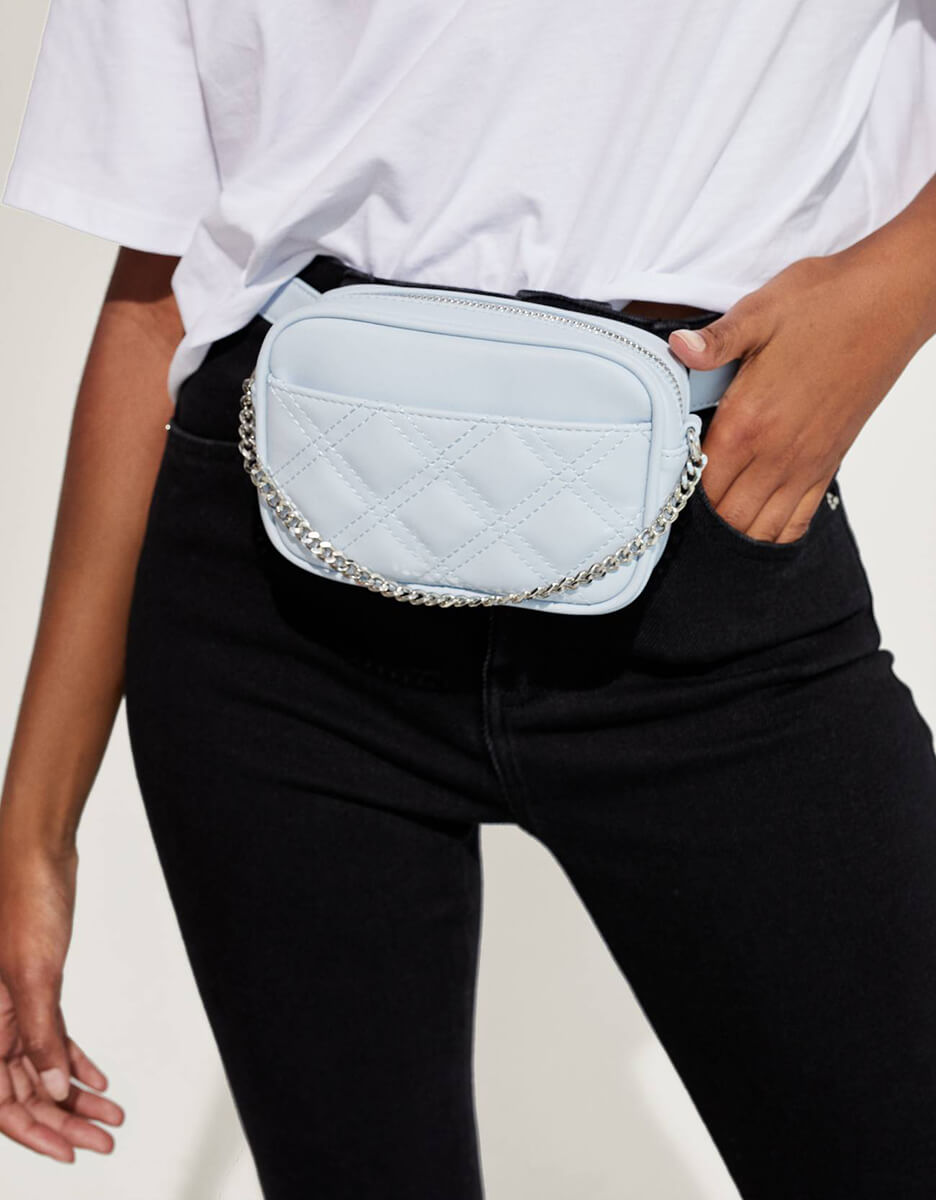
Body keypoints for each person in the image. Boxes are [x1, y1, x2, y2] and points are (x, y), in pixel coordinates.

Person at [2, 2, 936, 1197]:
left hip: (706, 542)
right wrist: (34, 836)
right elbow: (162, 290)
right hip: (276, 597)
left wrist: (897, 291)